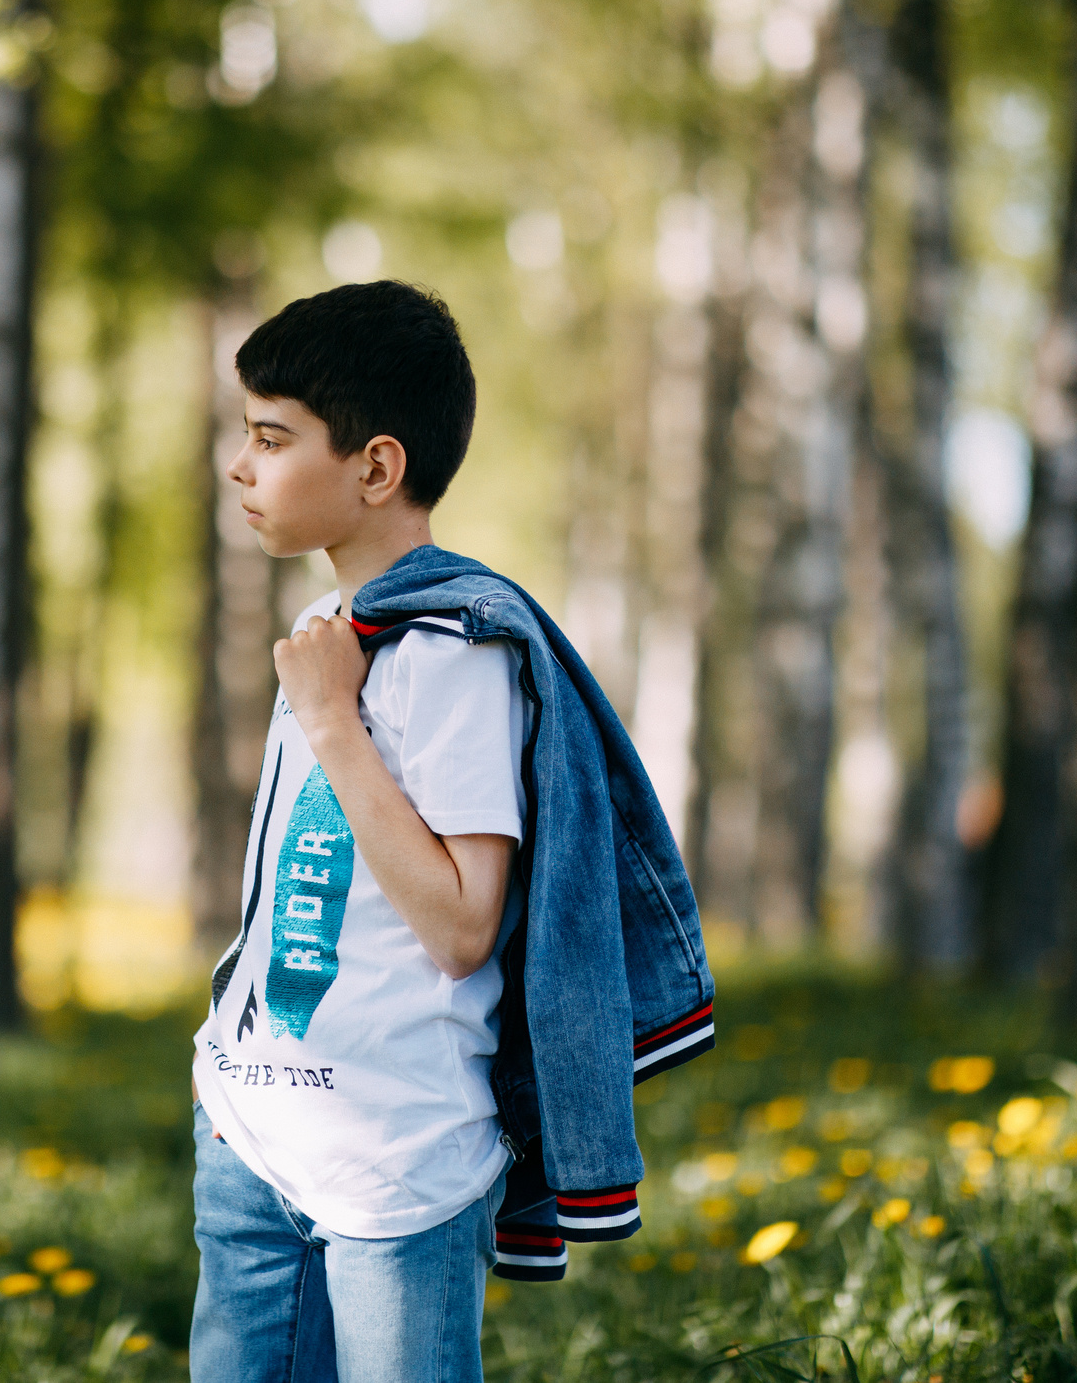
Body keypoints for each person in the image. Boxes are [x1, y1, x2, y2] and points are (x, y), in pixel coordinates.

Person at [191, 280, 711, 1383]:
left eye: (273, 438)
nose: (241, 467)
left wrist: (335, 720)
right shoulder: (319, 631)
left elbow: (462, 926)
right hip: (252, 1130)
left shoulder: (459, 652)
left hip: (396, 1157)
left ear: (375, 467)